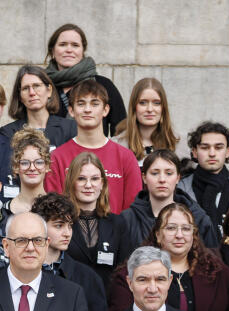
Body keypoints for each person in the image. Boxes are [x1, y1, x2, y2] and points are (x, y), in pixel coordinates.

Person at [45, 80, 142, 213]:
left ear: (105, 110)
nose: (87, 109)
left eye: (95, 103)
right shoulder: (57, 158)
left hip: (116, 232)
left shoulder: (125, 157)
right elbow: (53, 211)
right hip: (71, 232)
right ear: (71, 111)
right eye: (81, 103)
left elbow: (133, 211)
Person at [119, 150, 220, 249]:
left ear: (177, 178)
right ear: (144, 178)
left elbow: (212, 261)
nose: (162, 179)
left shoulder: (198, 218)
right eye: (155, 173)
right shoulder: (127, 219)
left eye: (169, 173)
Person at [32, 192, 108, 311]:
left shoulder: (88, 277)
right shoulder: (22, 272)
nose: (67, 233)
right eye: (59, 225)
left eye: (70, 226)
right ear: (39, 226)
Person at [65, 152, 133, 292]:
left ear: (102, 183)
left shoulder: (118, 223)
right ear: (72, 182)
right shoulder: (61, 222)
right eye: (81, 178)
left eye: (95, 179)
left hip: (109, 304)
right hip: (70, 304)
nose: (88, 185)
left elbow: (125, 271)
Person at [43, 23, 125, 137]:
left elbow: (121, 130)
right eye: (63, 44)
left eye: (75, 45)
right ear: (52, 50)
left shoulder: (104, 85)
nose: (69, 50)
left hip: (94, 154)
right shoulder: (42, 86)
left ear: (83, 51)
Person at [0, 65, 76, 149]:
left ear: (49, 91)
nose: (32, 92)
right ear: (20, 96)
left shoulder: (69, 128)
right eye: (25, 88)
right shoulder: (9, 132)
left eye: (37, 86)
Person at [114, 77, 178, 158]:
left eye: (156, 103)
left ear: (163, 108)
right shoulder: (115, 146)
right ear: (134, 107)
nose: (150, 109)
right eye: (143, 103)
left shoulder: (179, 145)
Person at [5, 127, 52, 219]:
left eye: (38, 162)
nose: (32, 168)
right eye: (25, 163)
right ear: (16, 167)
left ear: (47, 166)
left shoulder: (59, 209)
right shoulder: (4, 212)